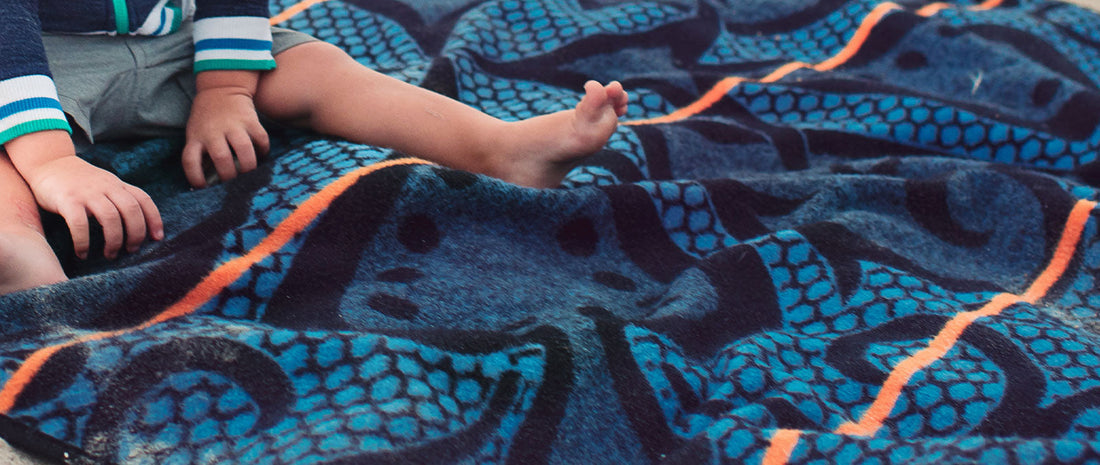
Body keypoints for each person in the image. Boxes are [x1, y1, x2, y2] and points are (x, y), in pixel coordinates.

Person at [0, 0, 629, 294]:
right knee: (9, 153)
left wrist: (226, 87)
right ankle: (21, 258)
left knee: (315, 65)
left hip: (169, 37)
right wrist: (50, 158)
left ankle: (498, 149)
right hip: (29, 55)